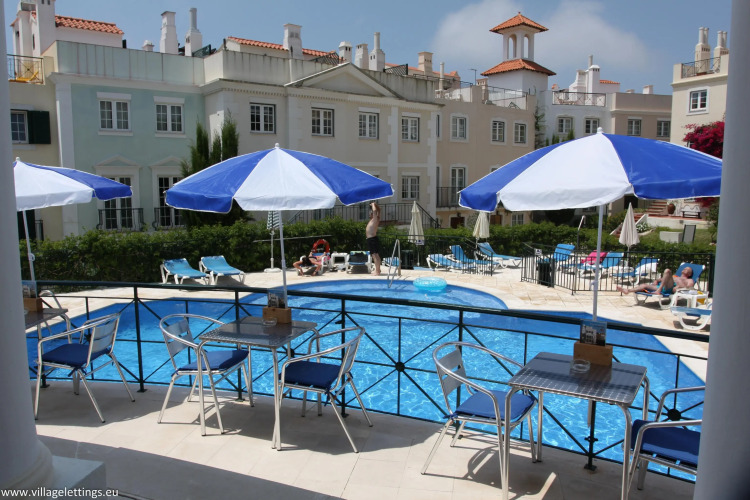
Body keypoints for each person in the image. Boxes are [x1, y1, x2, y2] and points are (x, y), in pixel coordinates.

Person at [617, 266, 694, 294]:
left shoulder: (689, 280)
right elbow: (661, 279)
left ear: (689, 274)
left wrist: (678, 287)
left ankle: (659, 290)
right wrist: (656, 281)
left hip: (669, 288)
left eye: (687, 269)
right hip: (661, 287)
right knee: (644, 285)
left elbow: (689, 288)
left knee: (667, 271)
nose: (684, 269)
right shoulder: (675, 277)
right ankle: (628, 291)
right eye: (684, 268)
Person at [366, 201, 382, 276]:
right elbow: (379, 210)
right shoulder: (374, 219)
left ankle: (377, 271)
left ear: (373, 214)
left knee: (375, 255)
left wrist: (373, 205)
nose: (370, 214)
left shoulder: (375, 219)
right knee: (375, 255)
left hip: (372, 239)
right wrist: (375, 205)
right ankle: (378, 269)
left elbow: (375, 211)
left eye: (371, 213)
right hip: (371, 239)